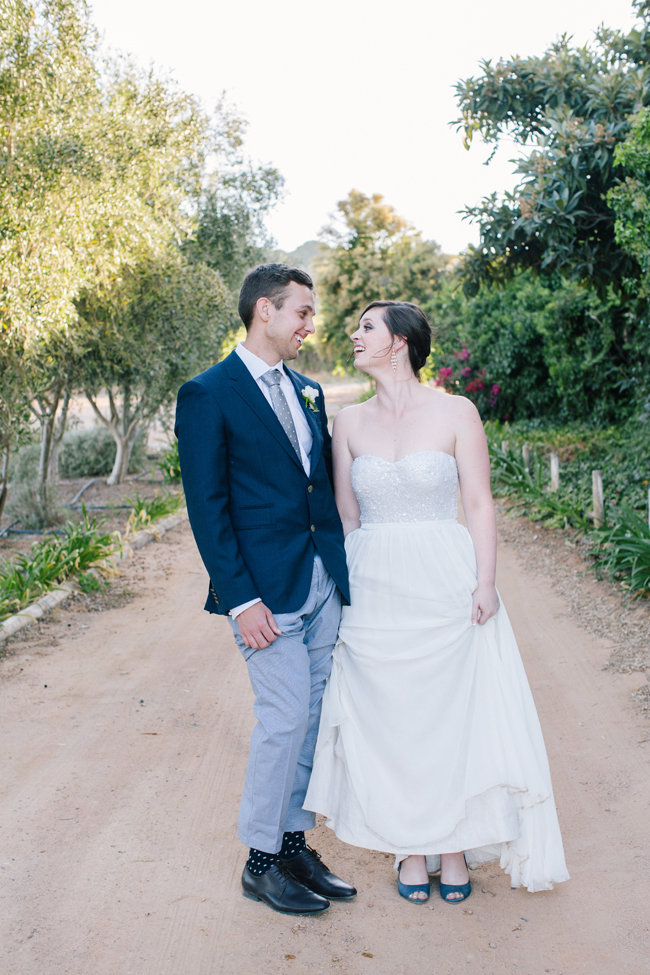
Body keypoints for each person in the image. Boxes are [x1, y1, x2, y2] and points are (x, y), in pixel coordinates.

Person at [304, 300, 569, 904]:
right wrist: (345, 595)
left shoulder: (456, 411)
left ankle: (454, 845)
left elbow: (478, 502)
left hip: (444, 577)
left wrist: (485, 581)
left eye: (366, 327)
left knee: (451, 712)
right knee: (393, 717)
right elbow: (347, 516)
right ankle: (409, 846)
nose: (354, 334)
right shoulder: (347, 422)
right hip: (375, 581)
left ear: (399, 343)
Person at [175, 264, 356, 916]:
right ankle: (259, 861)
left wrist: (340, 576)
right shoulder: (208, 393)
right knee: (283, 718)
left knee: (309, 720)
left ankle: (292, 840)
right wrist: (241, 598)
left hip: (317, 584)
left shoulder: (308, 390)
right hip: (263, 597)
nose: (311, 325)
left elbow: (320, 492)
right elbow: (208, 507)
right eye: (302, 312)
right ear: (264, 311)